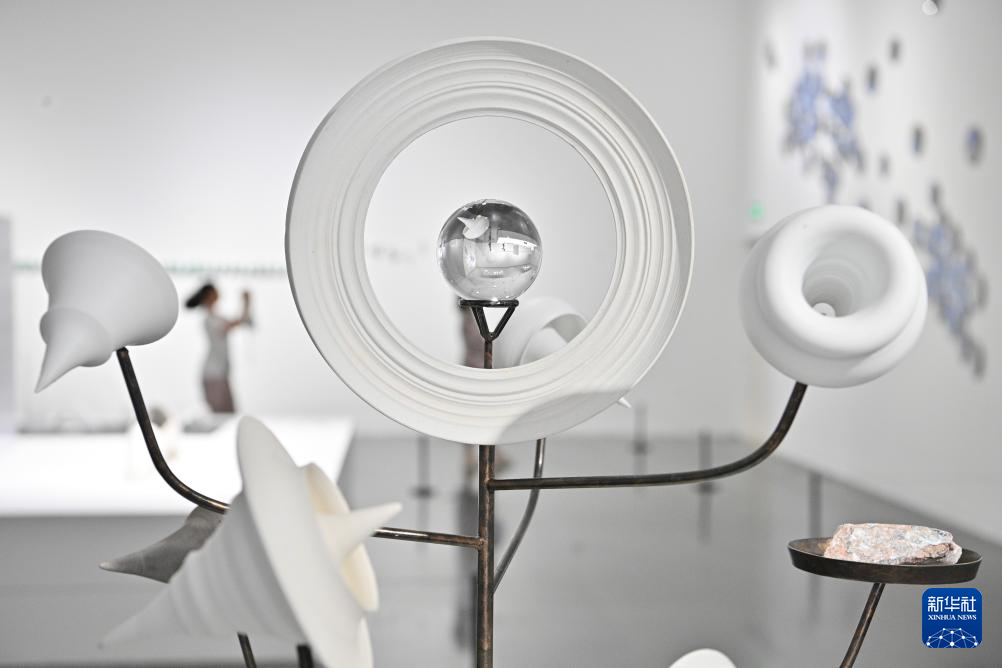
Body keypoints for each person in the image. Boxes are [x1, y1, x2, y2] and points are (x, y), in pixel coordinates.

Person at [184, 282, 252, 413]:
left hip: (220, 375)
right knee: (222, 416)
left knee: (229, 414)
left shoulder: (216, 318)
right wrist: (246, 304)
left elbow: (242, 321)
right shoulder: (210, 320)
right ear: (209, 295)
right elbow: (236, 323)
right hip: (213, 376)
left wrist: (247, 304)